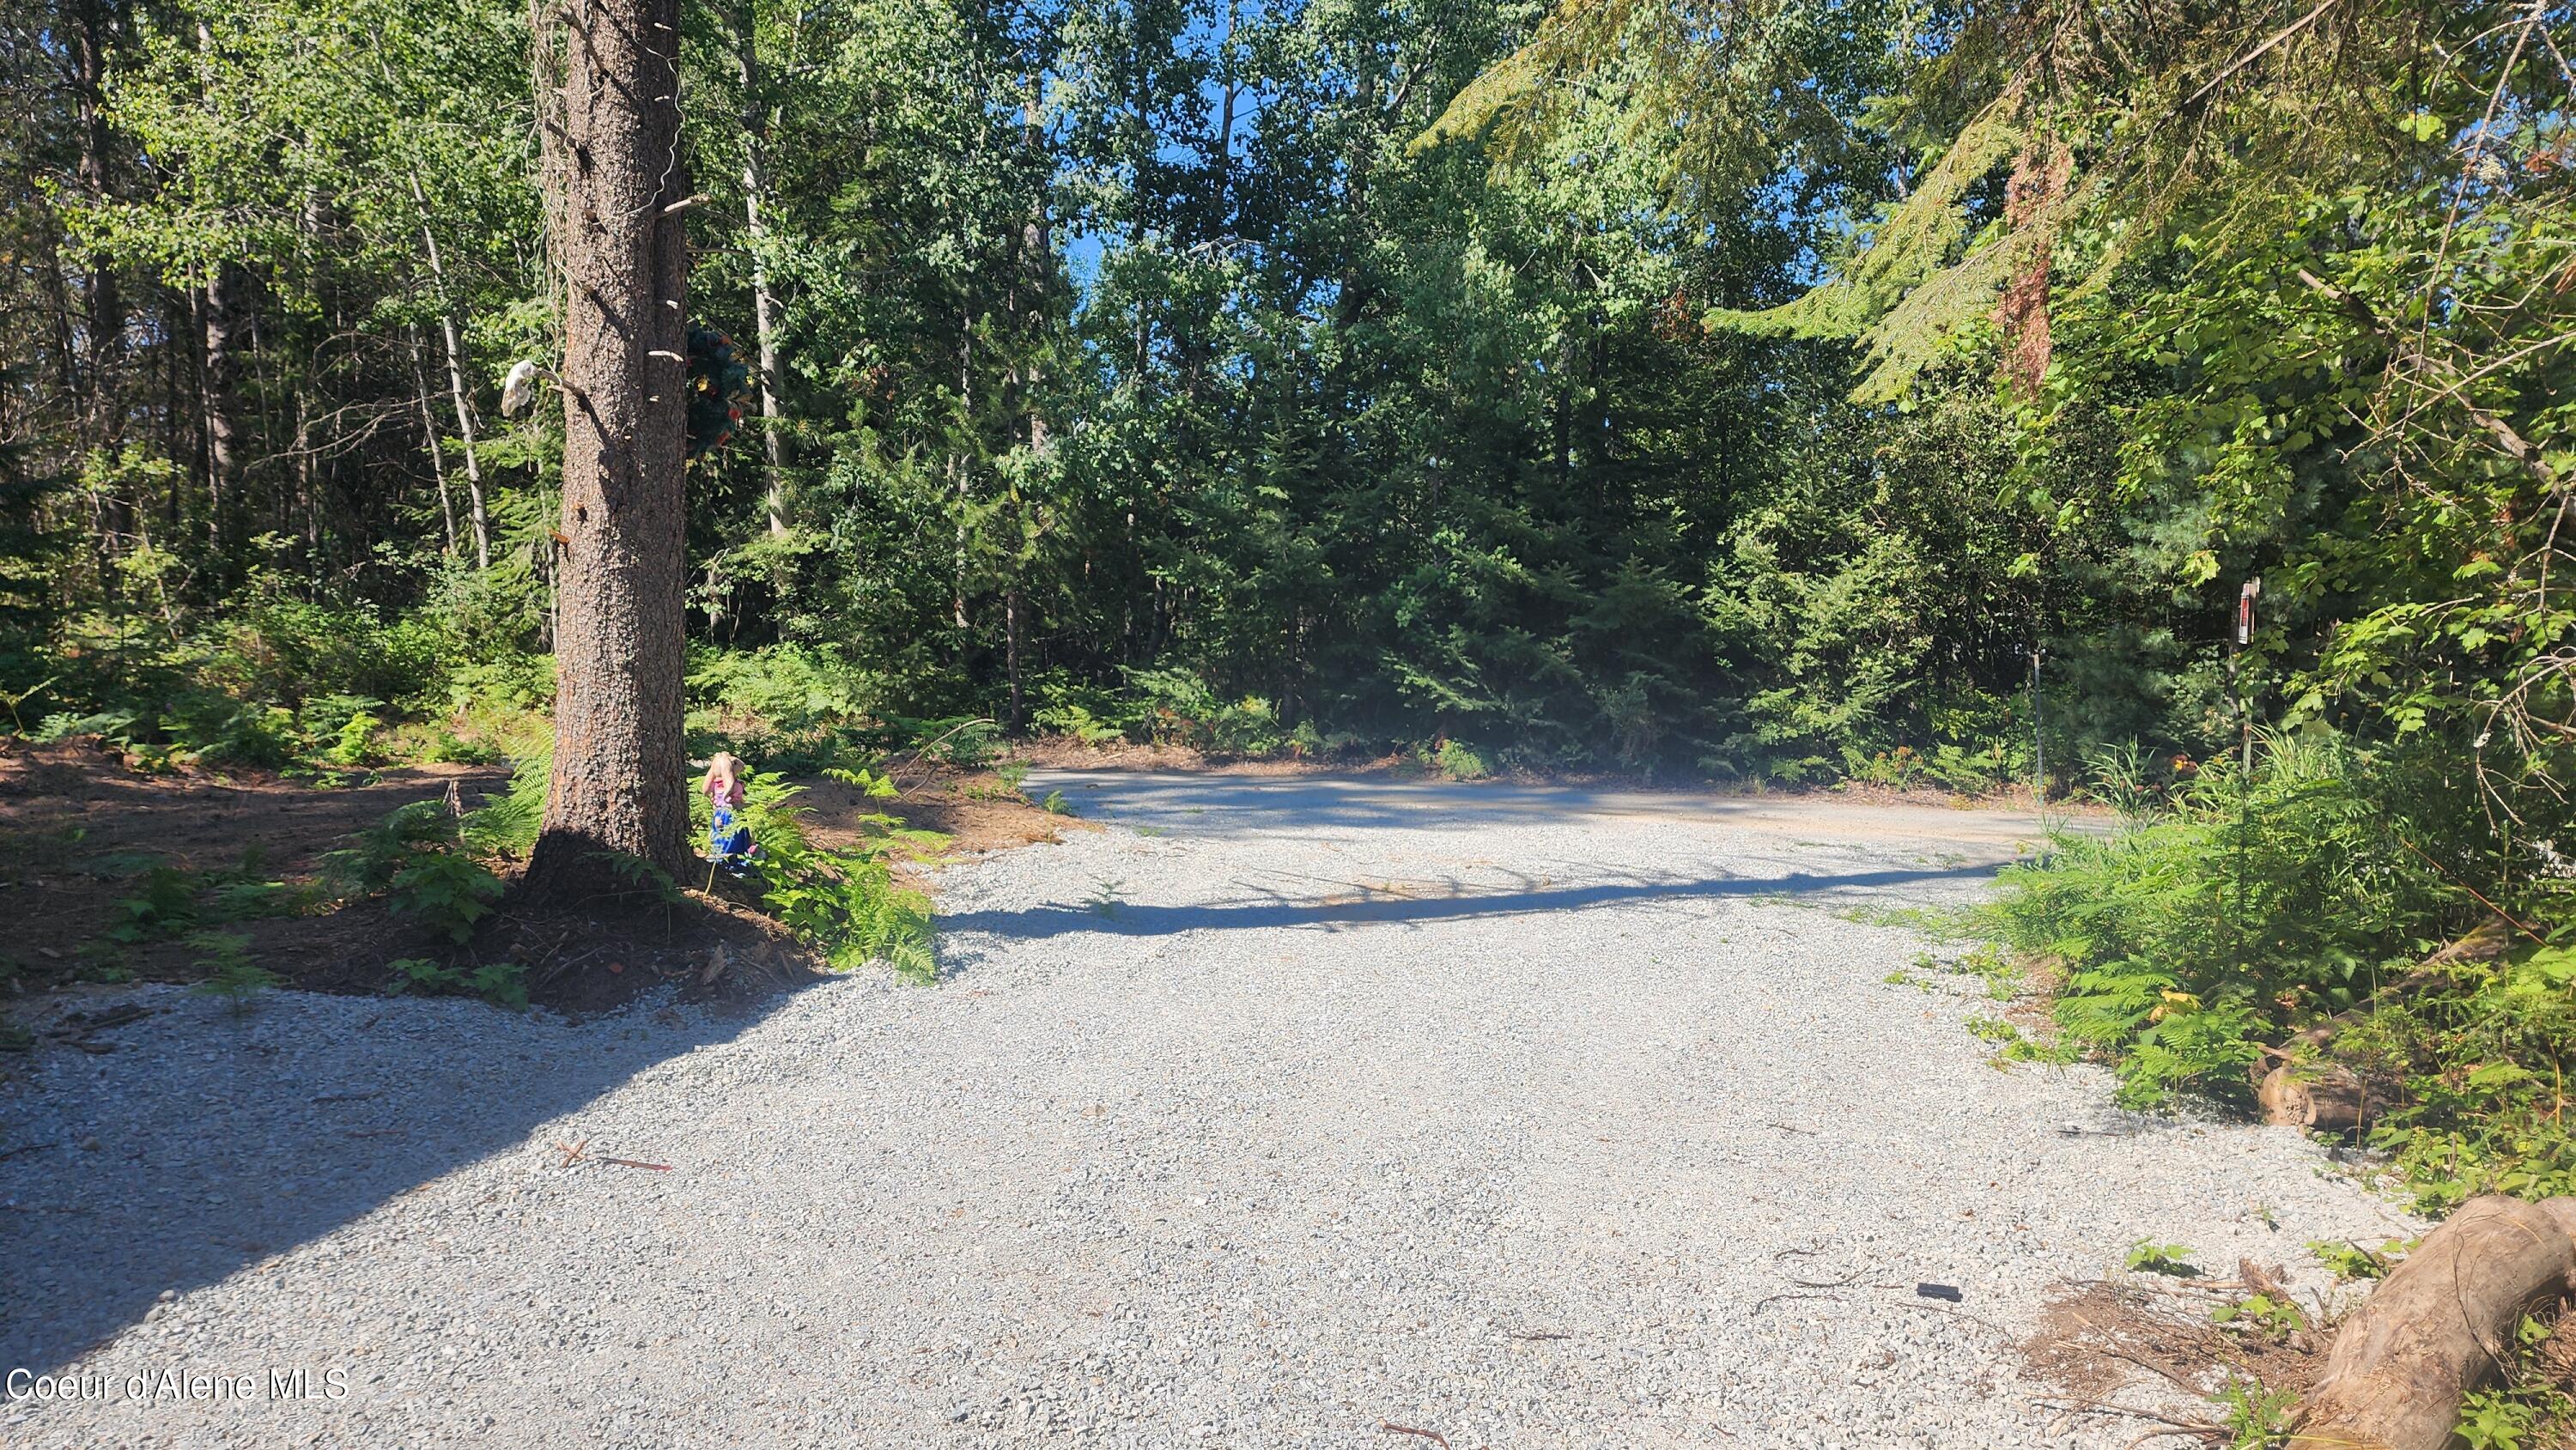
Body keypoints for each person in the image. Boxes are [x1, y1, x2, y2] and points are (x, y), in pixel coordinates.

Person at [703, 752, 757, 874]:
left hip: (719, 815)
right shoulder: (736, 786)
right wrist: (748, 805)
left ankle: (721, 858)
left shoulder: (717, 786)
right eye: (736, 763)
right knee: (734, 837)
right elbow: (736, 803)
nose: (742, 766)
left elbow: (716, 801)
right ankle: (735, 861)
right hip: (732, 816)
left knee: (721, 838)